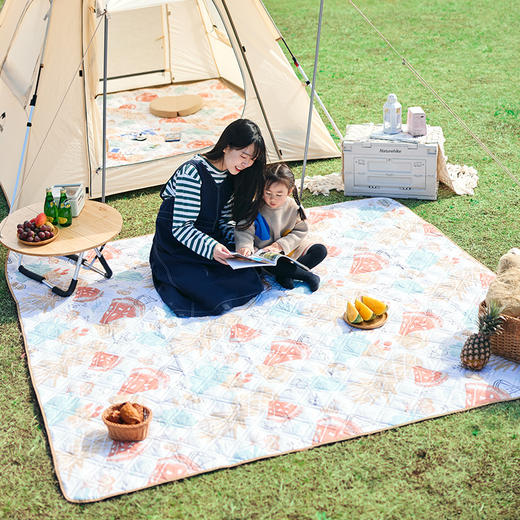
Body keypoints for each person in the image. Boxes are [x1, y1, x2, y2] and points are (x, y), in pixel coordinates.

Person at [149, 119, 266, 317]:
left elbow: (223, 220)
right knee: (208, 293)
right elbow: (181, 227)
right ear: (226, 147)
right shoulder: (193, 172)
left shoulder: (231, 174)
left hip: (206, 235)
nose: (246, 164)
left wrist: (239, 245)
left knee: (248, 276)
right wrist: (212, 248)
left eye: (252, 159)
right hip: (175, 244)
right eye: (243, 156)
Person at [234, 163, 327, 292]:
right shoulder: (254, 208)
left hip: (289, 248)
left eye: (279, 194)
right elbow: (244, 230)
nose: (272, 199)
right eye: (268, 193)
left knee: (320, 250)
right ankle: (307, 276)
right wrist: (245, 246)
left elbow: (300, 231)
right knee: (271, 263)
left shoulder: (294, 206)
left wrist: (280, 246)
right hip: (267, 253)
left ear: (289, 191)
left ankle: (286, 275)